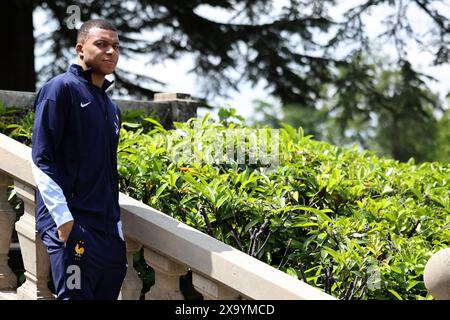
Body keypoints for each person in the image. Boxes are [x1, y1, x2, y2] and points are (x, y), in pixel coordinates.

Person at [31, 19, 127, 300]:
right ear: (80, 49)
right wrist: (64, 223)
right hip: (74, 227)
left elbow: (109, 172)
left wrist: (118, 230)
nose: (111, 51)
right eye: (102, 44)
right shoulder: (59, 89)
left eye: (116, 46)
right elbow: (41, 159)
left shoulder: (112, 108)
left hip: (108, 233)